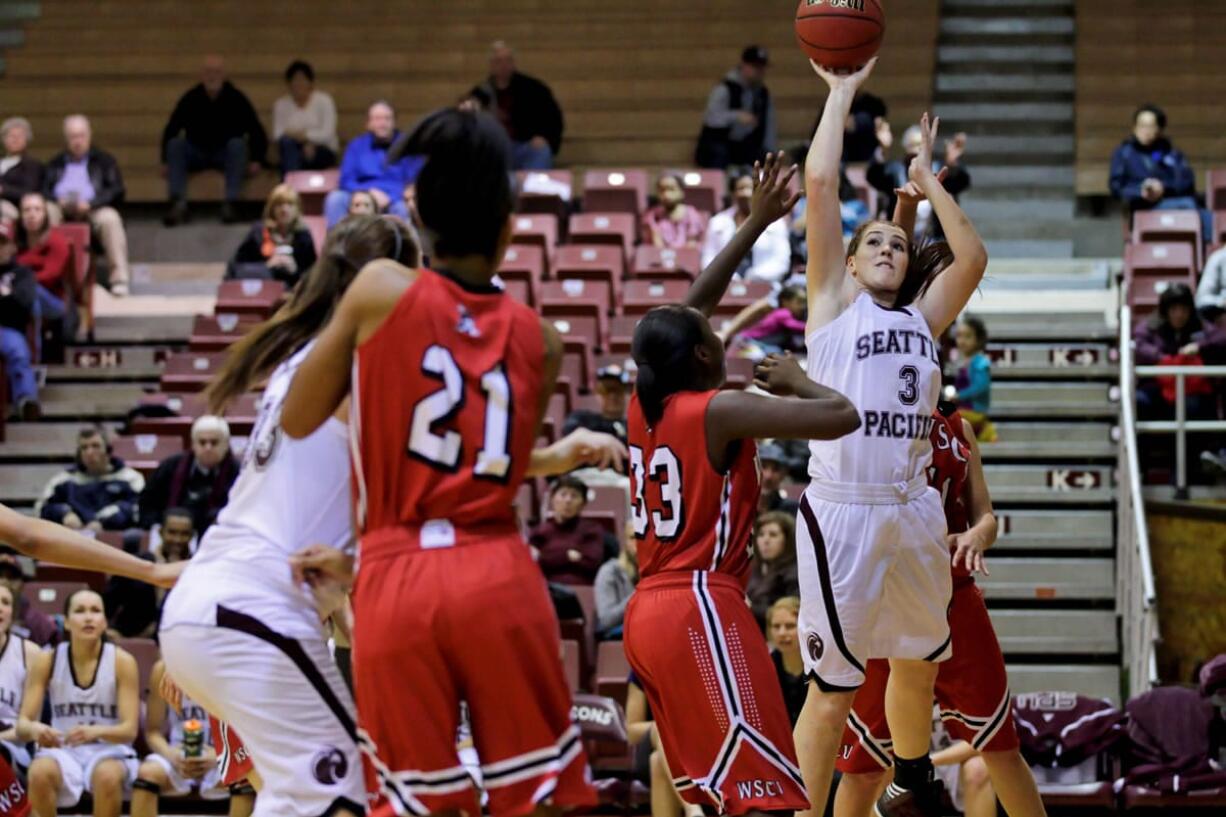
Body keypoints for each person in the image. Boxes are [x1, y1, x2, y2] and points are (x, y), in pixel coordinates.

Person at [280, 108, 630, 817]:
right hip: (499, 571)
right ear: (508, 230)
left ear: (420, 218)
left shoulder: (378, 288)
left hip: (399, 574)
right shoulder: (542, 338)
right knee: (536, 796)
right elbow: (489, 462)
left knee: (417, 802)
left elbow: (297, 415)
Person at [157, 216, 420, 817]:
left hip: (219, 605)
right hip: (255, 609)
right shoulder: (363, 364)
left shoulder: (303, 358)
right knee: (350, 794)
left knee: (293, 798)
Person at [621, 151, 858, 816]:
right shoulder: (718, 408)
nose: (717, 326)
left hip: (649, 612)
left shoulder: (645, 404)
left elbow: (687, 308)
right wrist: (798, 382)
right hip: (701, 602)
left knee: (718, 794)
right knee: (766, 797)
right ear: (702, 353)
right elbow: (842, 416)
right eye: (712, 333)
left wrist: (755, 224)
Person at [795, 57, 988, 817]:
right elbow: (819, 185)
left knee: (919, 660)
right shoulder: (832, 308)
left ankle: (912, 784)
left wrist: (926, 181)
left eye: (896, 244)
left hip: (910, 510)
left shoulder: (921, 318)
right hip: (843, 510)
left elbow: (971, 257)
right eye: (872, 241)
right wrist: (840, 93)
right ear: (847, 259)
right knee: (834, 690)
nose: (885, 248)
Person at [832, 406, 1047, 817]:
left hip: (954, 596)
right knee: (862, 768)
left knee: (1001, 749)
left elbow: (986, 516)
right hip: (888, 596)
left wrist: (977, 534)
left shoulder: (959, 426)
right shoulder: (869, 416)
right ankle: (911, 773)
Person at [18, 589, 139, 817]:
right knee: (39, 772)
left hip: (109, 749)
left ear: (104, 622)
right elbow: (22, 725)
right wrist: (37, 729)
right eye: (80, 611)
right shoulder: (48, 660)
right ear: (66, 622)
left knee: (107, 776)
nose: (88, 617)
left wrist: (94, 732)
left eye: (95, 611)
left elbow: (129, 730)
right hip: (65, 750)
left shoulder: (122, 661)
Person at [161, 55, 268, 226]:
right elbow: (172, 128)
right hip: (196, 152)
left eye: (217, 72)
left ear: (224, 75)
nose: (212, 76)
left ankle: (230, 204)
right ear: (202, 75)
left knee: (238, 145)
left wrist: (257, 159)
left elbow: (256, 129)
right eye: (208, 72)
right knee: (175, 145)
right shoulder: (191, 98)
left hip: (224, 154)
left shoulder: (236, 98)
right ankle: (178, 204)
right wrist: (165, 161)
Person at [131, 659, 231, 817]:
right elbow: (153, 732)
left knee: (246, 777)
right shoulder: (163, 668)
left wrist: (219, 756)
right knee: (147, 772)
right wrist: (171, 754)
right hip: (179, 755)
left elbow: (254, 735)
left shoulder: (234, 668)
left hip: (226, 756)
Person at [43, 115, 131, 296]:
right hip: (61, 208)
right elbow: (43, 189)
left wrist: (91, 203)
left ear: (89, 136)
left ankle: (119, 279)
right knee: (46, 211)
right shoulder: (55, 163)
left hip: (93, 208)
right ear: (66, 139)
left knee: (110, 218)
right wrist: (56, 200)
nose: (78, 141)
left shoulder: (104, 160)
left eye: (81, 136)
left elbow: (117, 189)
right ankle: (49, 274)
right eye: (73, 137)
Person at [1110, 103, 1210, 240]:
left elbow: (1186, 182)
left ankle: (1214, 255)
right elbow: (1116, 187)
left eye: (1150, 126)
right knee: (1190, 206)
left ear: (1159, 129)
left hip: (1172, 203)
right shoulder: (1124, 153)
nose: (1145, 130)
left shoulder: (1170, 153)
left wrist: (1163, 187)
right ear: (1134, 127)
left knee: (1204, 213)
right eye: (1141, 125)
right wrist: (1141, 191)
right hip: (1142, 208)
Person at [465, 41, 564, 170]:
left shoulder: (534, 89)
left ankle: (533, 189)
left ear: (513, 63)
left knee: (541, 151)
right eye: (498, 61)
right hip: (494, 149)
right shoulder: (479, 93)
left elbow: (554, 117)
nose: (503, 65)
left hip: (524, 146)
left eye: (508, 60)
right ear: (491, 65)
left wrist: (545, 137)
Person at [323, 101, 421, 227]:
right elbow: (346, 180)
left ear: (394, 122)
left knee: (402, 208)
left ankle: (400, 246)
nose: (382, 123)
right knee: (335, 199)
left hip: (394, 198)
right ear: (368, 123)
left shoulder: (407, 145)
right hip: (360, 193)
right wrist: (368, 194)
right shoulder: (356, 145)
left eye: (387, 118)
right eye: (377, 119)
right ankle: (337, 244)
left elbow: (412, 182)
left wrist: (390, 196)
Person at [138, 415, 238, 533]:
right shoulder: (170, 466)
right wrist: (159, 527)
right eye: (202, 442)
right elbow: (147, 502)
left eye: (214, 442)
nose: (208, 448)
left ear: (226, 445)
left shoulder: (238, 473)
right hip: (170, 535)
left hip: (218, 534)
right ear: (193, 444)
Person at [870, 124, 969, 239]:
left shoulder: (938, 170)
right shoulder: (896, 171)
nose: (917, 159)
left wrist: (952, 164)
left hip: (933, 239)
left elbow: (960, 183)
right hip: (901, 237)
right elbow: (874, 177)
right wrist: (883, 150)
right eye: (912, 154)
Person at [36, 427, 144, 531]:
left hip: (114, 538)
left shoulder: (130, 478)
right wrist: (64, 514)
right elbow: (42, 508)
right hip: (73, 537)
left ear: (108, 450)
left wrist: (104, 522)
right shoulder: (64, 479)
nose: (89, 452)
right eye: (84, 447)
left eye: (95, 446)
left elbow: (138, 509)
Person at [701, 171, 790, 284]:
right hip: (723, 285)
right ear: (733, 193)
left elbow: (781, 262)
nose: (746, 193)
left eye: (751, 188)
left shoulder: (776, 222)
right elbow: (708, 257)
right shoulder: (717, 222)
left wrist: (754, 276)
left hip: (765, 286)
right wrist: (729, 277)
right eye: (741, 188)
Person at [696, 46, 776, 169]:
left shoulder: (762, 94)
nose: (760, 72)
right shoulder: (725, 89)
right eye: (756, 67)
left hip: (744, 145)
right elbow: (711, 118)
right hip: (720, 144)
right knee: (718, 153)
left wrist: (770, 152)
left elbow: (769, 125)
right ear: (744, 65)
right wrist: (736, 116)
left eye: (762, 68)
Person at [225, 184, 317, 286]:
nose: (284, 209)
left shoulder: (304, 236)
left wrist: (295, 270)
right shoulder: (258, 233)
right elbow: (235, 268)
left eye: (290, 204)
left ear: (297, 209)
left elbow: (314, 275)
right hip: (262, 290)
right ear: (271, 209)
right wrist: (266, 267)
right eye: (279, 204)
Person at [529, 475, 610, 586]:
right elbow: (532, 564)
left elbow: (592, 564)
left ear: (583, 503)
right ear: (552, 499)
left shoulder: (591, 530)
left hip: (581, 589)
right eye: (563, 494)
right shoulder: (539, 532)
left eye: (574, 496)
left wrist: (547, 557)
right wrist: (567, 555)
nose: (568, 500)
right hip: (545, 588)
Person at [16, 192, 75, 344]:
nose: (32, 215)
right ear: (20, 215)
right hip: (18, 295)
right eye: (27, 210)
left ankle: (34, 355)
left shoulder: (57, 241)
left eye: (37, 209)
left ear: (45, 214)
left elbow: (51, 275)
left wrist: (19, 282)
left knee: (31, 292)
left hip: (55, 302)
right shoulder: (14, 241)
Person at [0, 222, 39, 420]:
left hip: (7, 329)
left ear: (12, 246)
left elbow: (24, 304)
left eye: (2, 243)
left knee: (17, 350)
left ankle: (26, 401)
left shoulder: (22, 273)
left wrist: (7, 297)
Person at [272, 60, 338, 176]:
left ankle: (290, 186)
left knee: (300, 155)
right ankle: (292, 187)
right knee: (288, 146)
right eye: (295, 80)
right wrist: (302, 140)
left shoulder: (324, 101)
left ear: (310, 83)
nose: (298, 84)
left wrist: (308, 139)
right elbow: (278, 134)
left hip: (323, 148)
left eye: (302, 80)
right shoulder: (281, 104)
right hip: (293, 148)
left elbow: (327, 134)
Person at [0, 581, 40, 772]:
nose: (0, 608)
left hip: (15, 747)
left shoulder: (30, 653)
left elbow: (32, 725)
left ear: (12, 613)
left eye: (5, 602)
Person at [724, 285, 808, 361]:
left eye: (804, 302)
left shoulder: (785, 313)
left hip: (760, 343)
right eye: (799, 302)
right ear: (785, 301)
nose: (802, 307)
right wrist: (812, 326)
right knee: (776, 354)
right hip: (749, 341)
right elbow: (795, 326)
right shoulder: (783, 313)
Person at [746, 511, 799, 628]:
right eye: (761, 535)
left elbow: (792, 615)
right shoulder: (756, 569)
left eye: (773, 535)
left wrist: (749, 607)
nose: (765, 540)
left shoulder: (794, 574)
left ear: (788, 540)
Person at [563, 363, 631, 445]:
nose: (612, 396)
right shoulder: (582, 419)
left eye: (618, 390)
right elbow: (569, 433)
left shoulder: (633, 427)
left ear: (626, 394)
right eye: (607, 390)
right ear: (598, 394)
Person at [952, 315, 995, 442]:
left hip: (974, 410)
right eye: (959, 336)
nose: (962, 340)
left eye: (968, 336)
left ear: (978, 339)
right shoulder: (964, 362)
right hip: (965, 409)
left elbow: (981, 386)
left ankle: (984, 430)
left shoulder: (980, 362)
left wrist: (960, 396)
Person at [0, 550, 55, 646]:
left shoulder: (40, 624)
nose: (4, 581)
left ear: (22, 583)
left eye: (11, 577)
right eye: (0, 575)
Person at [767, 596, 807, 726]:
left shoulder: (819, 667)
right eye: (776, 626)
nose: (782, 633)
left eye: (790, 626)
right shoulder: (765, 667)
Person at [594, 524, 637, 639]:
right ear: (624, 541)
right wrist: (639, 593)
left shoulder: (658, 572)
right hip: (618, 639)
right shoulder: (609, 572)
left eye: (643, 538)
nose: (638, 543)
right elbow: (606, 619)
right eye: (633, 537)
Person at [641, 174, 707, 249]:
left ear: (682, 192)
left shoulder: (692, 215)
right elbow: (656, 248)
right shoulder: (652, 216)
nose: (666, 194)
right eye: (662, 190)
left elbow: (691, 246)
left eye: (671, 189)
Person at [0, 118, 43, 224]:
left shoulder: (32, 165)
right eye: (11, 136)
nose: (15, 139)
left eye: (19, 136)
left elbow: (30, 192)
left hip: (16, 207)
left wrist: (3, 190)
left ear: (27, 140)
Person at [757, 443, 798, 514]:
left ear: (784, 475)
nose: (768, 476)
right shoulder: (737, 505)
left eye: (776, 469)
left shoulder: (791, 509)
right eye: (763, 466)